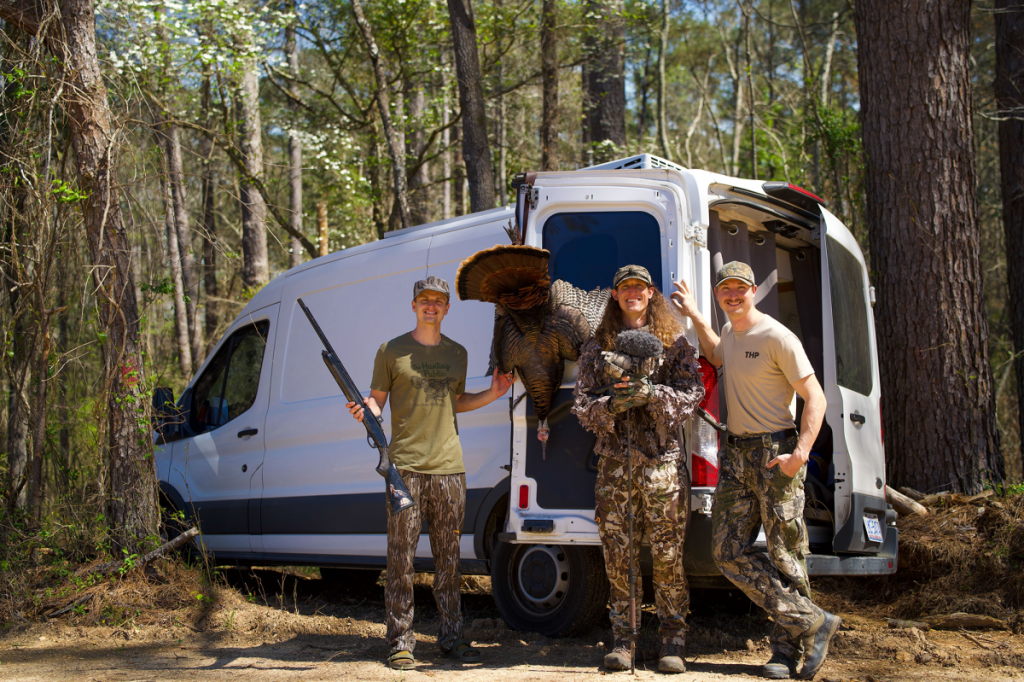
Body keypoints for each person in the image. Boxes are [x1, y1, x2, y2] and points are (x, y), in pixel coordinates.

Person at [671, 261, 838, 680]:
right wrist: (693, 314)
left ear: (752, 292)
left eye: (739, 289)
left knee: (786, 555)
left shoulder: (777, 337)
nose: (732, 295)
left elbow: (815, 397)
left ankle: (785, 653)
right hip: (738, 455)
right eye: (724, 289)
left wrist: (800, 453)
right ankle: (812, 620)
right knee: (726, 553)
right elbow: (715, 353)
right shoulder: (729, 331)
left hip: (775, 454)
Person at [347, 276, 514, 671]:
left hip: (450, 470)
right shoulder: (391, 351)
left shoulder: (458, 353)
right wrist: (365, 409)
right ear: (414, 305)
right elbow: (377, 401)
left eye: (439, 301)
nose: (431, 306)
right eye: (425, 300)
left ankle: (452, 637)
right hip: (403, 469)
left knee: (449, 559)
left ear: (446, 308)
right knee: (401, 557)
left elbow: (456, 401)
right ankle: (401, 641)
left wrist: (493, 393)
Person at [572, 265, 705, 674]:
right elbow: (581, 405)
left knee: (667, 556)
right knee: (619, 557)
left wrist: (653, 395)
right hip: (615, 466)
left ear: (651, 294)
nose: (633, 294)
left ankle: (672, 639)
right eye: (625, 288)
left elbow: (693, 393)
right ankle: (624, 641)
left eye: (640, 288)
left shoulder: (674, 342)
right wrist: (610, 407)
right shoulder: (597, 347)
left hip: (663, 465)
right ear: (615, 295)